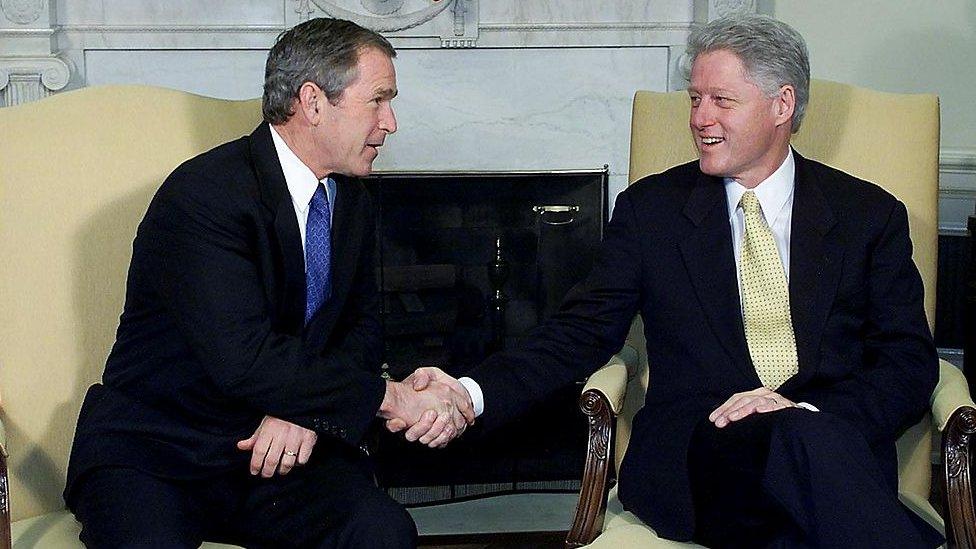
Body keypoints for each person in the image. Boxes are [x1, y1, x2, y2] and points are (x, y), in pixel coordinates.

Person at [396, 14, 944, 548]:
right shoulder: (652, 211)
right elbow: (579, 333)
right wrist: (468, 393)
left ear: (783, 105)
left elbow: (908, 360)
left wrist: (805, 414)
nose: (700, 118)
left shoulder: (867, 215)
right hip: (697, 458)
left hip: (823, 449)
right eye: (694, 98)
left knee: (798, 464)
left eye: (721, 101)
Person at [64, 17, 473, 548]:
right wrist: (389, 398)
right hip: (159, 453)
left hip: (280, 454)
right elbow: (243, 357)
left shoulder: (353, 198)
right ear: (313, 101)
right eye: (378, 100)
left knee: (382, 532)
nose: (390, 122)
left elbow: (361, 332)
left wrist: (309, 412)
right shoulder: (205, 196)